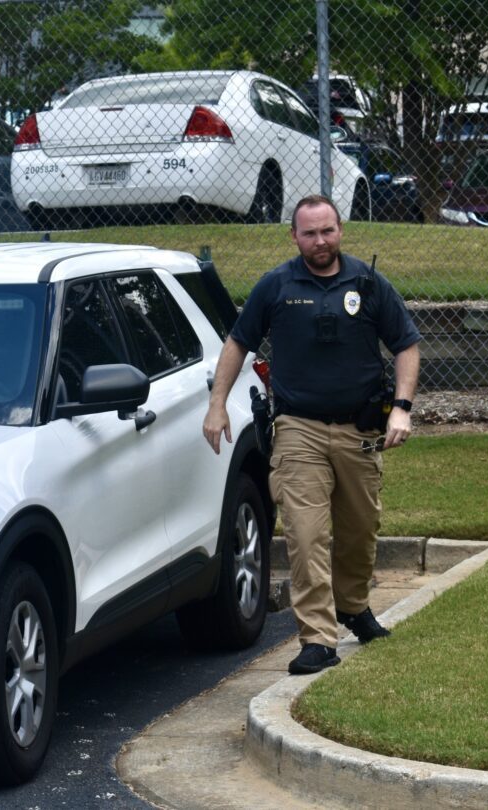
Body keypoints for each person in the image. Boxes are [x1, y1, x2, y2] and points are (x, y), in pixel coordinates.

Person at [202, 194, 421, 675]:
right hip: (298, 428)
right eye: (309, 233)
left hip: (360, 429)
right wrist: (217, 404)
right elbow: (237, 343)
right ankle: (318, 639)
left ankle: (353, 606)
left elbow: (406, 344)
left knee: (360, 533)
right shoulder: (276, 286)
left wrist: (401, 409)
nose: (319, 241)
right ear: (294, 236)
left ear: (340, 230)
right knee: (306, 535)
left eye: (327, 231)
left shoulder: (366, 282)